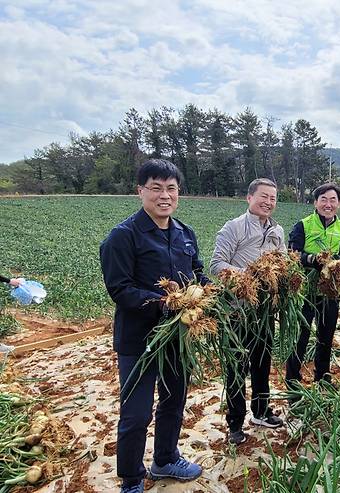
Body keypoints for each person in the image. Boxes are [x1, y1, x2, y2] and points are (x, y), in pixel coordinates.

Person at [100, 159, 209, 493]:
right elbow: (119, 288)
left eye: (171, 188)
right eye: (156, 188)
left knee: (174, 402)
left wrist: (211, 294)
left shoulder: (184, 233)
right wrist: (165, 303)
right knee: (135, 414)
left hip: (178, 338)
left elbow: (197, 273)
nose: (165, 195)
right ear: (140, 191)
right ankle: (132, 479)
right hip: (139, 340)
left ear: (178, 193)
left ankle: (165, 459)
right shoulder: (123, 236)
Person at [210, 178, 286, 445]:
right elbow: (216, 265)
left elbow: (283, 263)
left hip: (264, 313)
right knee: (236, 368)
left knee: (262, 364)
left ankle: (262, 412)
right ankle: (235, 422)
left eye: (273, 198)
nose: (268, 202)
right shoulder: (234, 228)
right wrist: (252, 275)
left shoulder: (277, 231)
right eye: (263, 196)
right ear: (249, 197)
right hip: (236, 312)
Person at [285, 183, 340, 392]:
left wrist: (335, 263)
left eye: (333, 200)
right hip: (305, 290)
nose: (328, 204)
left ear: (339, 204)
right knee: (300, 335)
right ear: (315, 203)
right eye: (323, 199)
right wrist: (312, 259)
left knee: (326, 335)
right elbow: (292, 254)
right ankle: (292, 379)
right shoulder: (303, 225)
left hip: (330, 290)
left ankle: (323, 378)